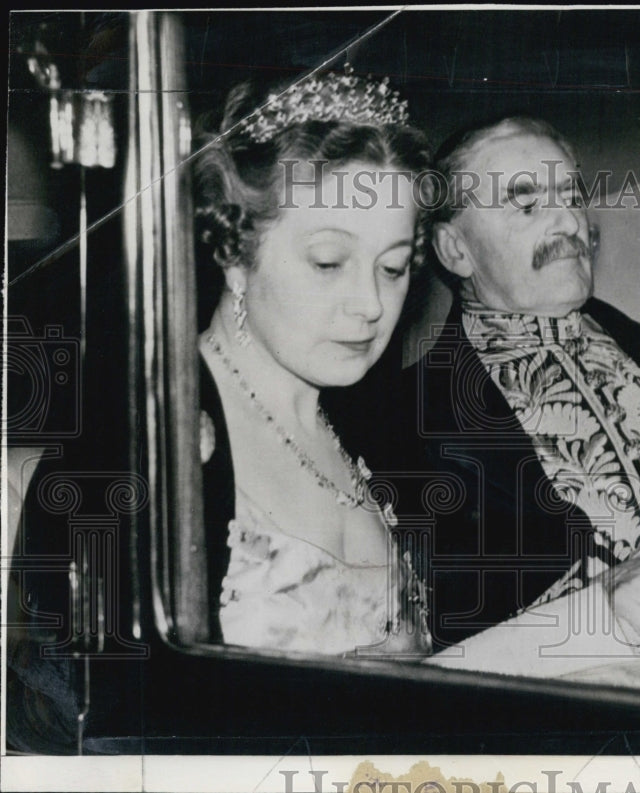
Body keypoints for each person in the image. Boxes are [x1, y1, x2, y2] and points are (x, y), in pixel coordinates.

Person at [345, 117, 640, 652]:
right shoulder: (396, 430)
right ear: (455, 250)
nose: (567, 222)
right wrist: (596, 601)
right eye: (526, 204)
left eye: (571, 194)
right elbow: (434, 638)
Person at [193, 70, 432, 657]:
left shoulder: (376, 428)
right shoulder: (156, 423)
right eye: (329, 262)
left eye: (393, 267)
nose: (372, 305)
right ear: (234, 251)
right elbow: (64, 706)